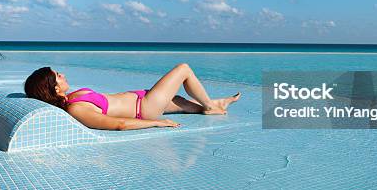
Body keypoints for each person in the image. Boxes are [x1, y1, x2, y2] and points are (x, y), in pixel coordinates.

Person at [24, 63, 241, 131]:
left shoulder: (73, 97)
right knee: (184, 69)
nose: (61, 75)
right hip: (145, 108)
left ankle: (214, 105)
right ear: (54, 89)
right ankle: (210, 105)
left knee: (187, 105)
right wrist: (156, 122)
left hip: (142, 98)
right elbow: (117, 124)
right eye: (56, 76)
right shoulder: (76, 109)